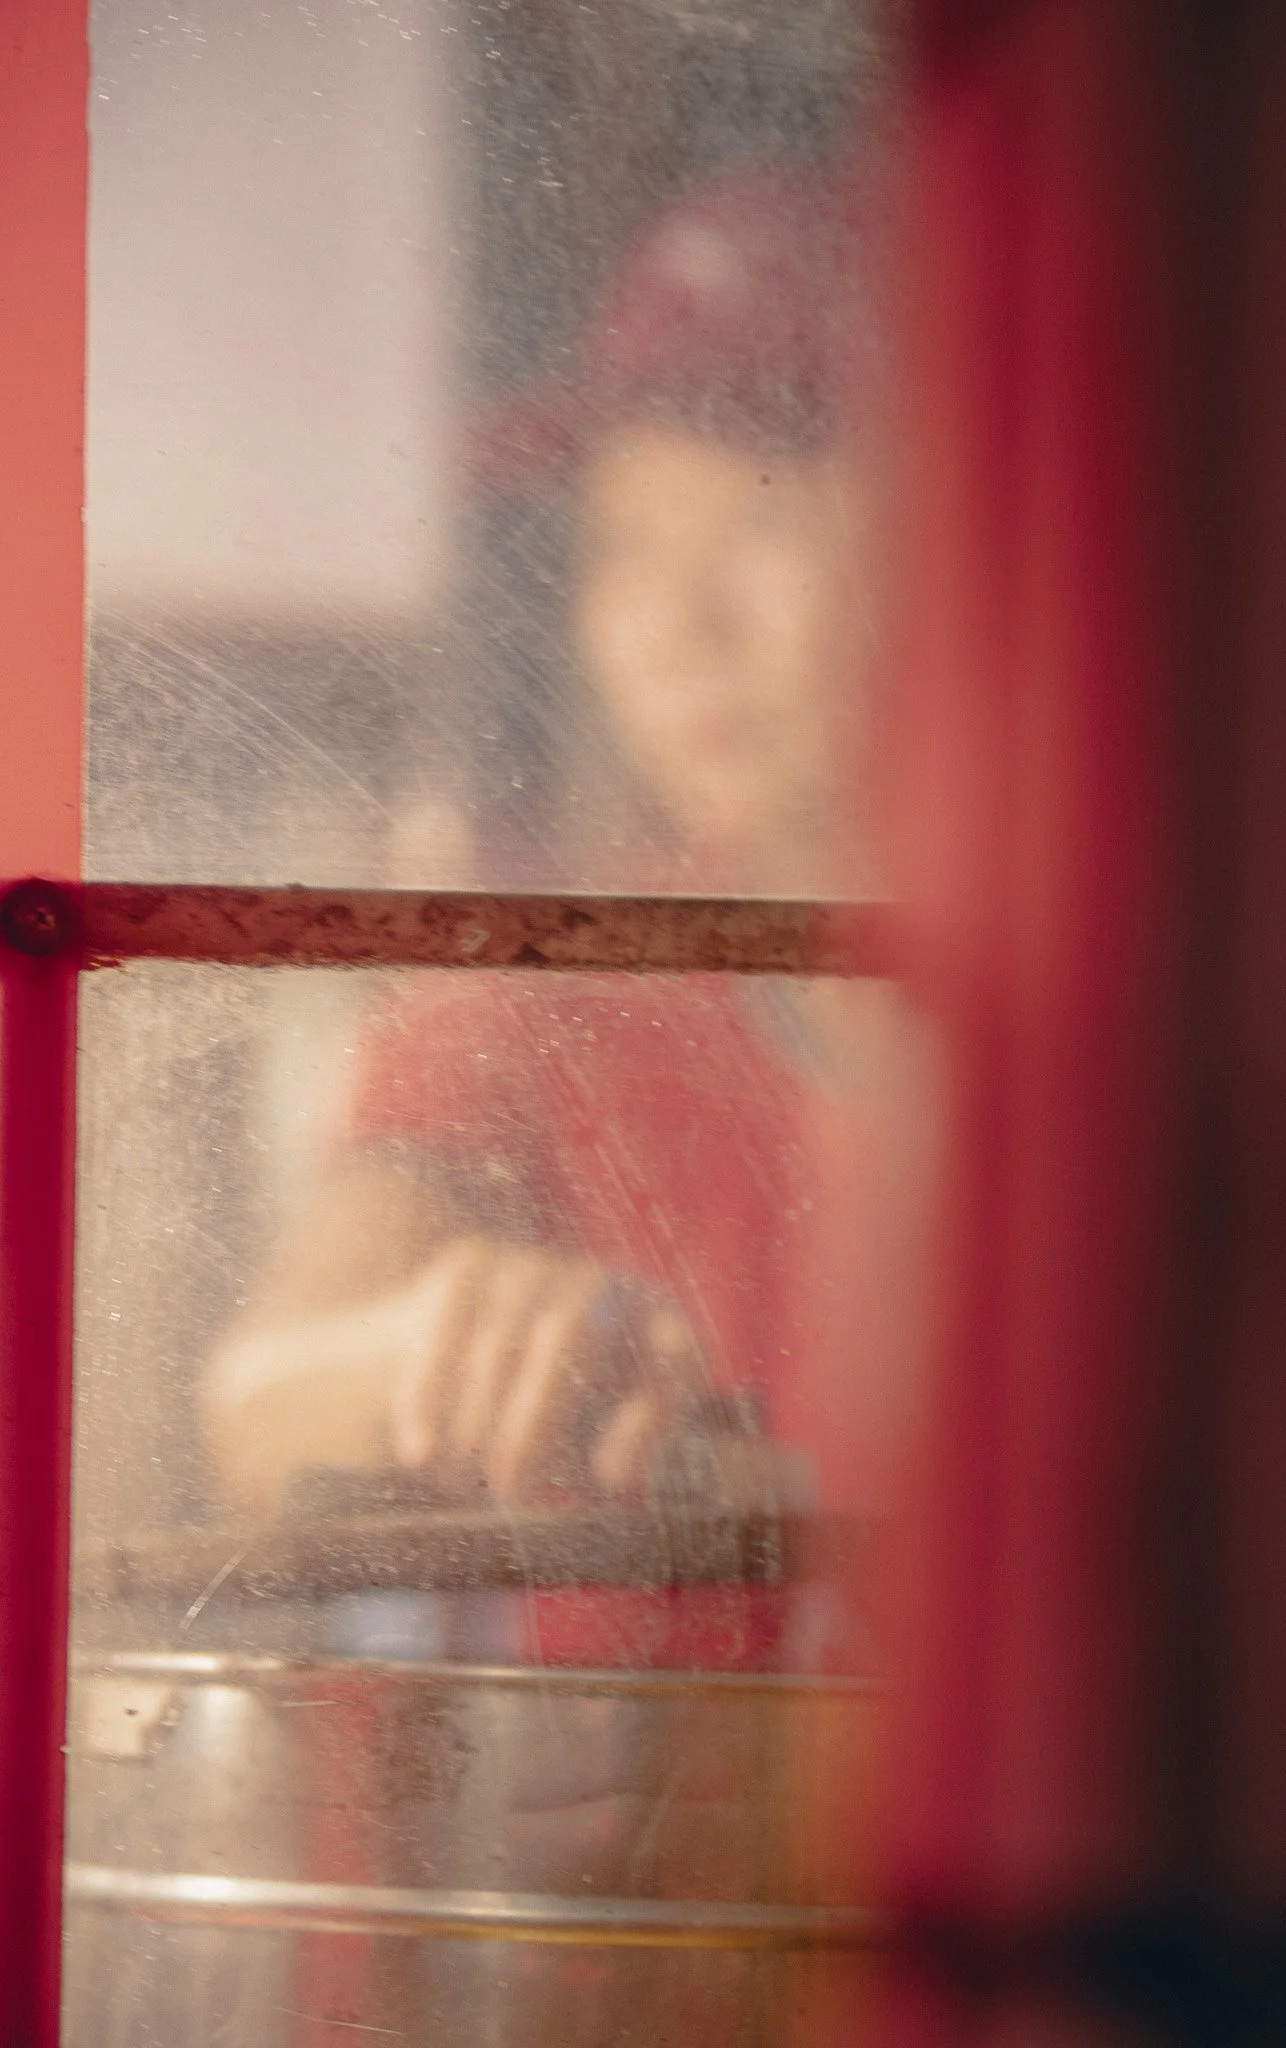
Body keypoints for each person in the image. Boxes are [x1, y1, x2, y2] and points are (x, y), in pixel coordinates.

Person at [202, 165, 924, 1671]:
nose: (675, 625)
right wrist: (439, 1342)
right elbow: (259, 1397)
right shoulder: (557, 975)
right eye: (625, 546)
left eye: (759, 521)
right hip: (639, 1811)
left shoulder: (1184, 994)